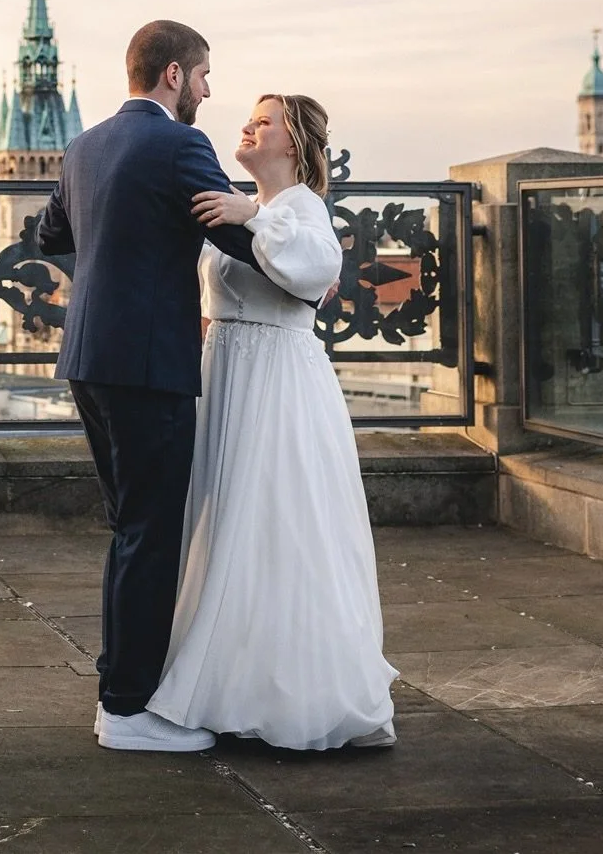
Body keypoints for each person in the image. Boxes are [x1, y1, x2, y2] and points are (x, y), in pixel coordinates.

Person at [36, 20, 278, 755]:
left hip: (88, 355)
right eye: (203, 76)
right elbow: (238, 238)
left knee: (130, 529)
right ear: (174, 74)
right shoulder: (180, 143)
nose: (207, 90)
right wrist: (292, 237)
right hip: (146, 362)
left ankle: (120, 692)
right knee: (151, 534)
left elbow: (50, 237)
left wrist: (121, 238)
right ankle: (127, 707)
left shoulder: (84, 145)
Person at [148, 94, 398, 750]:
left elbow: (318, 268)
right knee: (226, 516)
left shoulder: (300, 206)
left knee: (277, 518)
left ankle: (289, 690)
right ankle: (229, 674)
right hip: (224, 368)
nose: (247, 127)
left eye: (263, 122)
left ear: (293, 143)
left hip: (276, 376)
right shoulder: (240, 203)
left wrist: (252, 215)